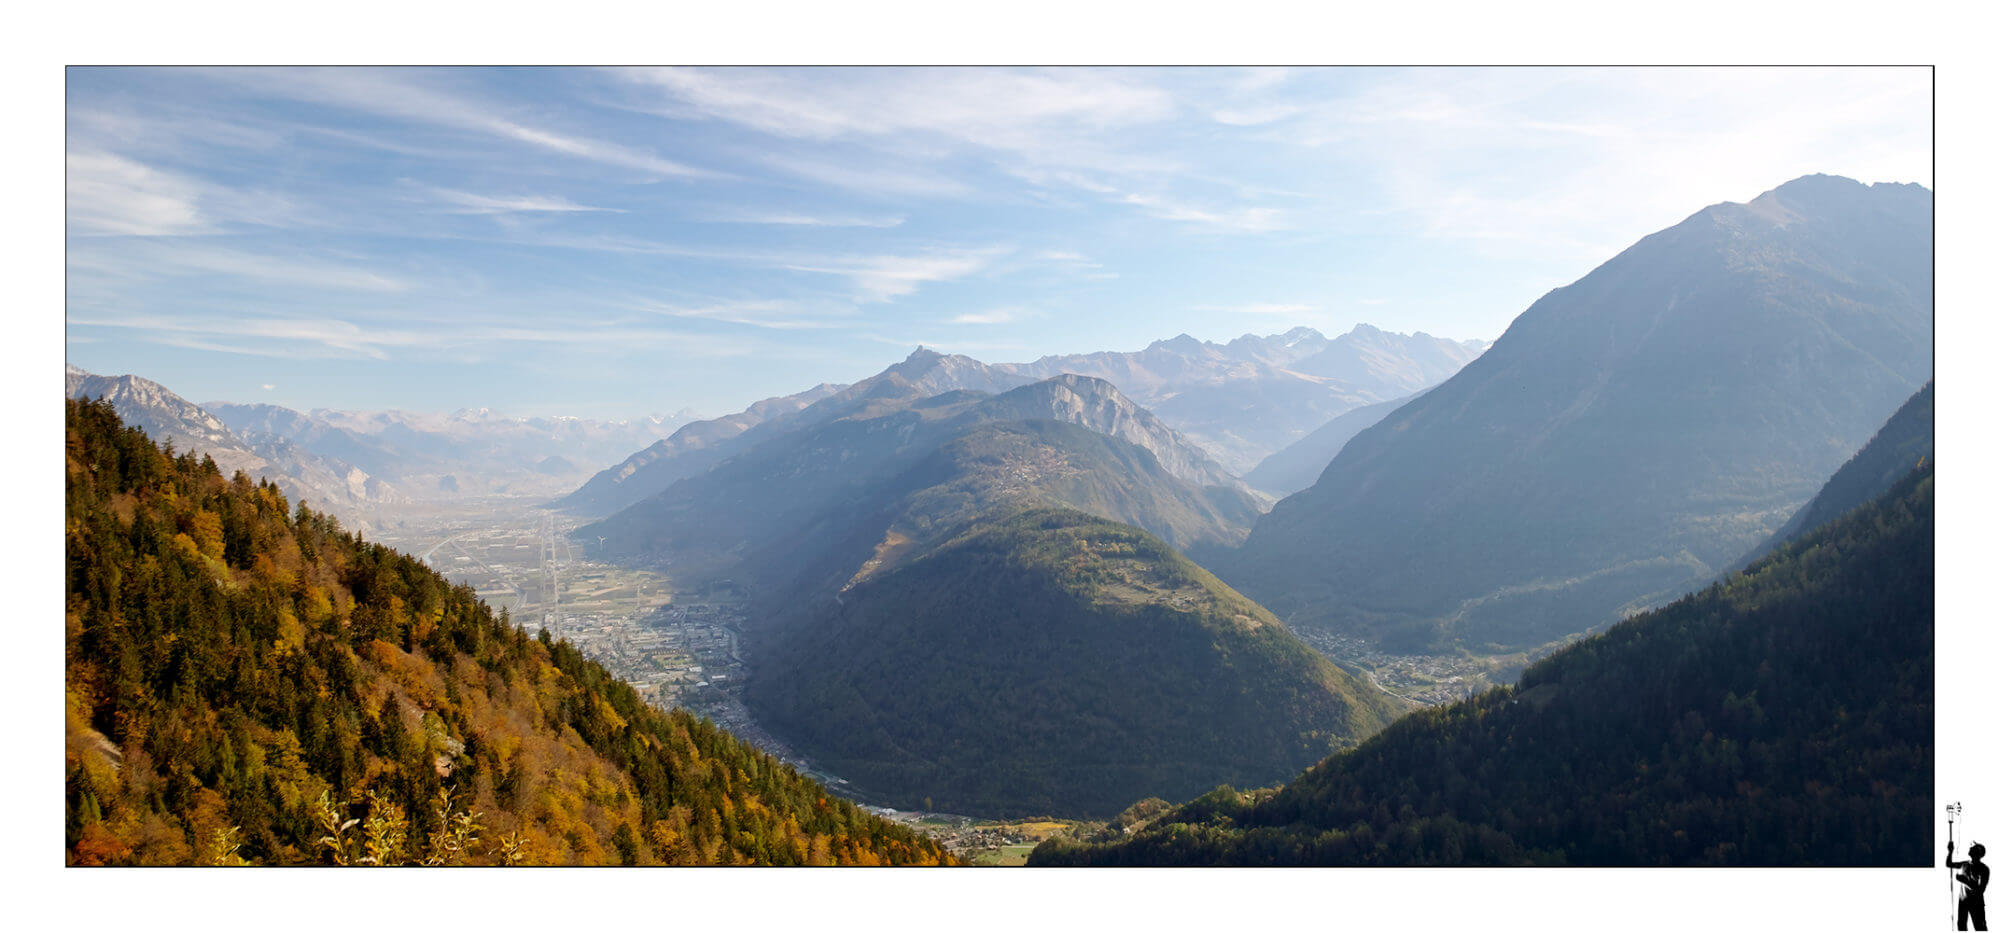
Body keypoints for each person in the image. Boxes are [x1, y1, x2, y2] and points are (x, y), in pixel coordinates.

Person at [1949, 840, 1990, 931]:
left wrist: (1964, 881)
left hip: (1976, 903)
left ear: (1978, 853)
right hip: (1963, 902)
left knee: (1980, 928)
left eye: (1973, 848)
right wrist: (1950, 851)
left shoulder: (1984, 869)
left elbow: (1980, 890)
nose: (1970, 848)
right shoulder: (1964, 864)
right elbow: (1949, 864)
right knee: (1961, 926)